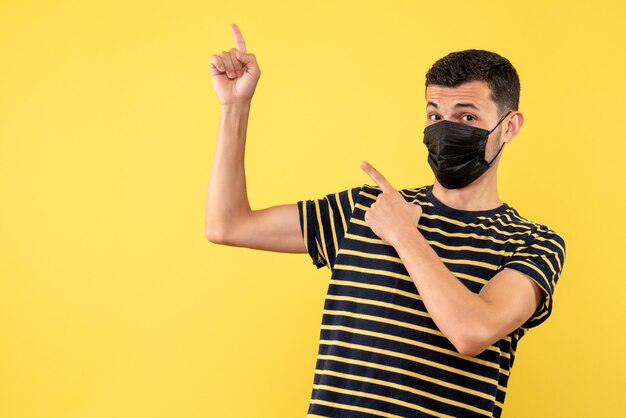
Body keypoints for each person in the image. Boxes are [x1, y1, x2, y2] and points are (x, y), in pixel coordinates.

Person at [206, 23, 566, 418]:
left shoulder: (531, 243)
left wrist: (404, 235)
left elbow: (472, 332)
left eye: (466, 117)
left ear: (509, 126)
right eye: (434, 114)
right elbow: (227, 225)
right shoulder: (366, 208)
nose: (444, 130)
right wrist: (234, 107)